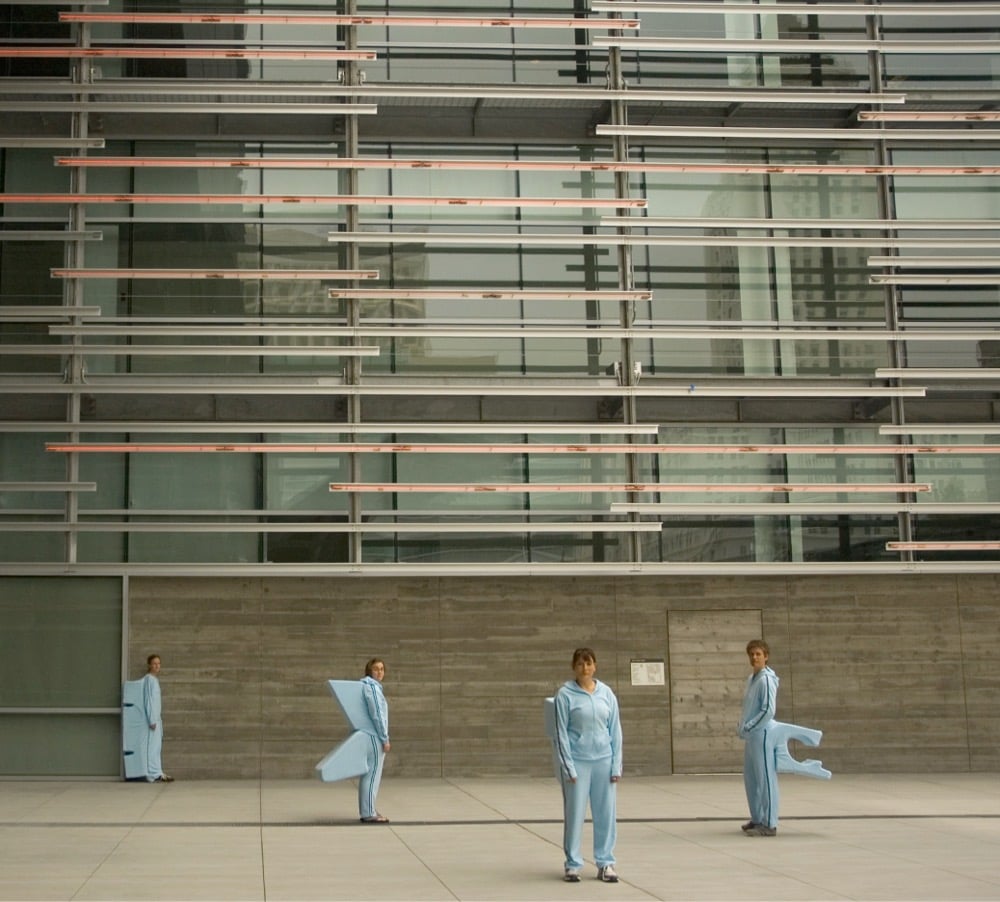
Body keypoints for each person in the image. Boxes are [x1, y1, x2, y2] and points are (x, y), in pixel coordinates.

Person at [554, 647, 623, 883]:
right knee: (575, 815)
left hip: (603, 760)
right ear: (574, 667)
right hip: (578, 763)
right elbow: (561, 733)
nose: (585, 668)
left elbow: (616, 731)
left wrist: (616, 765)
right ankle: (573, 864)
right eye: (581, 664)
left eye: (589, 663)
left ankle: (605, 863)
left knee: (606, 814)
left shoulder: (606, 693)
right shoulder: (565, 695)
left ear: (595, 666)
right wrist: (569, 767)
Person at [738, 639, 779, 836]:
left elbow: (768, 710)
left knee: (765, 779)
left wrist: (751, 725)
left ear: (766, 656)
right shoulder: (751, 679)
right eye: (752, 654)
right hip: (750, 736)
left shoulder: (767, 680)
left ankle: (769, 823)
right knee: (752, 778)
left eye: (758, 654)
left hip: (762, 734)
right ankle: (757, 817)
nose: (755, 657)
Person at [358, 657, 390, 823]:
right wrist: (385, 738)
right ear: (369, 670)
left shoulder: (367, 686)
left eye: (382, 669)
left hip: (370, 735)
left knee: (368, 775)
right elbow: (377, 714)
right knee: (372, 775)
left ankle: (368, 809)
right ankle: (369, 812)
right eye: (376, 669)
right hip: (375, 736)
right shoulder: (372, 688)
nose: (380, 672)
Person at [142, 654, 174, 783]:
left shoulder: (155, 680)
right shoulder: (148, 680)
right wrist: (152, 720)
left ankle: (158, 772)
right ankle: (152, 774)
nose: (157, 666)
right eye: (154, 663)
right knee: (152, 747)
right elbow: (148, 701)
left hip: (157, 720)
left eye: (159, 663)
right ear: (149, 665)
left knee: (157, 747)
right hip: (152, 721)